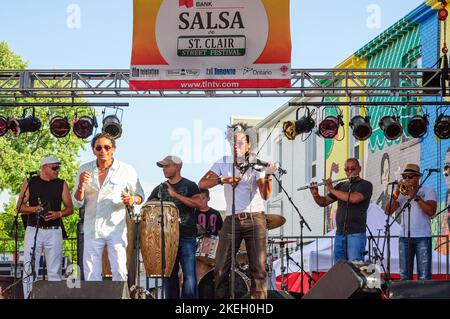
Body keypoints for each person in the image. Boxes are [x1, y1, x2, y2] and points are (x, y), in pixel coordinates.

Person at [198, 123, 276, 299]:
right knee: (220, 268)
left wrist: (268, 174)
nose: (236, 145)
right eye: (233, 141)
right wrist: (222, 180)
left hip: (255, 218)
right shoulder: (223, 162)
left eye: (240, 142)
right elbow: (202, 183)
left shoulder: (256, 163)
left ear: (249, 144)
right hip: (232, 219)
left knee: (258, 269)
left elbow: (265, 194)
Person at [73, 133, 145, 282]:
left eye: (107, 147)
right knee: (91, 273)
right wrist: (80, 186)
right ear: (93, 150)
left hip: (116, 229)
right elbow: (77, 202)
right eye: (98, 148)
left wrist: (132, 199)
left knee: (119, 270)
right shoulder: (84, 169)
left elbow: (140, 196)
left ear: (113, 149)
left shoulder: (126, 169)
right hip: (92, 228)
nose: (103, 151)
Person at [17, 156, 73, 298]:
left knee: (55, 270)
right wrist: (36, 209)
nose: (57, 170)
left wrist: (58, 214)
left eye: (58, 167)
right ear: (44, 168)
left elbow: (70, 208)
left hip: (54, 231)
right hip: (33, 229)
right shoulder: (30, 182)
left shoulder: (62, 184)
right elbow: (19, 207)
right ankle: (29, 296)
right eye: (54, 167)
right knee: (29, 267)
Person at [148, 155, 202, 299]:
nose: (164, 169)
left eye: (167, 166)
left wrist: (175, 195)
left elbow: (199, 204)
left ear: (177, 167)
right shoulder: (159, 188)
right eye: (163, 167)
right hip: (165, 238)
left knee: (189, 276)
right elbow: (148, 208)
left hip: (186, 236)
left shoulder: (190, 185)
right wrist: (151, 204)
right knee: (169, 277)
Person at [309, 158, 373, 263]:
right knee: (339, 268)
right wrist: (315, 195)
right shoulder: (341, 186)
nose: (350, 172)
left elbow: (354, 198)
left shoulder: (365, 185)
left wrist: (331, 189)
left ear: (359, 169)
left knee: (355, 267)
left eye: (353, 169)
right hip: (340, 234)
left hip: (356, 233)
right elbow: (323, 202)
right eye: (347, 169)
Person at [385, 163, 437, 280]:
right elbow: (387, 211)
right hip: (404, 238)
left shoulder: (428, 191)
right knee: (404, 275)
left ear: (418, 177)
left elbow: (431, 211)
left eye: (410, 177)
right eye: (405, 177)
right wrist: (397, 192)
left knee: (424, 275)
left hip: (422, 237)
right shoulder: (402, 194)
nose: (407, 179)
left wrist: (415, 197)